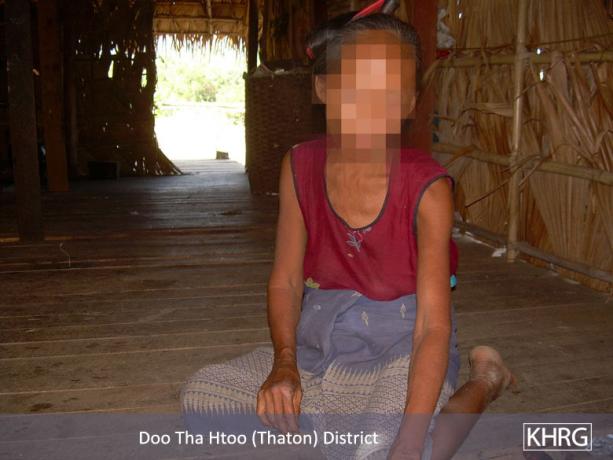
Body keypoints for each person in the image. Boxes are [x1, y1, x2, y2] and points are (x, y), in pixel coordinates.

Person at [181, 4, 518, 460]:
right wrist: (285, 366)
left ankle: (485, 380)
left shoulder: (427, 189)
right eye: (355, 87)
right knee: (203, 398)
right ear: (323, 87)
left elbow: (431, 327)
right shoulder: (299, 166)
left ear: (409, 104)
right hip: (318, 342)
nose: (370, 109)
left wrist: (409, 441)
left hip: (403, 346)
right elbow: (286, 281)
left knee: (401, 448)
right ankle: (335, 427)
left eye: (389, 94)